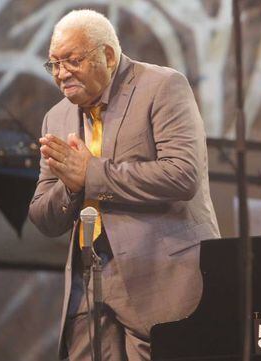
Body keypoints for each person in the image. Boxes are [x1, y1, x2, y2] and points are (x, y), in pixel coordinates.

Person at [28, 9, 220, 360]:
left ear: (109, 56)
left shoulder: (162, 86)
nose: (61, 73)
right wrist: (72, 186)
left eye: (72, 60)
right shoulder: (55, 118)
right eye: (53, 64)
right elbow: (43, 216)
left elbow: (183, 174)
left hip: (161, 274)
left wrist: (92, 175)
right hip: (90, 281)